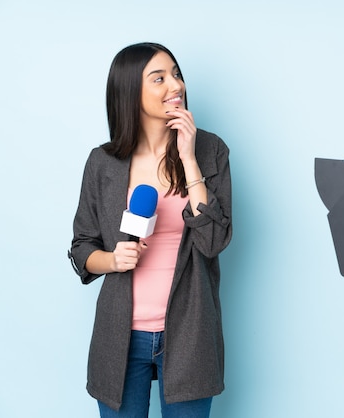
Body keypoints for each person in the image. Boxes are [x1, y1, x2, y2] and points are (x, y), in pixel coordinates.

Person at [68, 42, 232, 418]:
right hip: (119, 337)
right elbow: (82, 247)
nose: (174, 85)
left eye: (176, 74)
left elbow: (213, 240)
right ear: (130, 91)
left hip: (189, 332)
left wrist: (189, 159)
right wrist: (111, 259)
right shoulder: (103, 162)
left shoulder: (211, 151)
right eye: (158, 78)